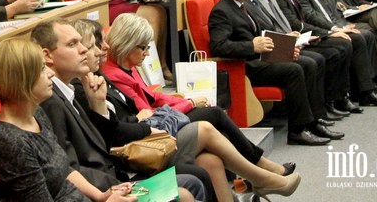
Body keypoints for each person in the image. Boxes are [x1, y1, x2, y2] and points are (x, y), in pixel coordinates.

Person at [103, 14, 302, 201]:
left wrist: (184, 100)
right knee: (209, 122)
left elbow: (154, 97)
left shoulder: (126, 65)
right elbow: (151, 117)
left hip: (158, 129)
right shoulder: (115, 75)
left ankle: (261, 175)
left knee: (211, 159)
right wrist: (189, 103)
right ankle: (262, 175)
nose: (147, 53)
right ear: (127, 44)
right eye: (143, 47)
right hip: (150, 142)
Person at [31, 20, 202, 200]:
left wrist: (98, 105)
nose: (83, 50)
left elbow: (100, 142)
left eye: (82, 43)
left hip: (114, 177)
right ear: (47, 55)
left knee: (202, 168)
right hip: (105, 187)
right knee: (189, 187)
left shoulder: (72, 90)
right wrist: (113, 189)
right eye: (72, 44)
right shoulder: (51, 101)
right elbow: (69, 167)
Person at [0, 38, 138, 202]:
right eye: (42, 69)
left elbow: (64, 169)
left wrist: (101, 196)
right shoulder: (12, 143)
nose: (50, 73)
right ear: (22, 78)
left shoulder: (36, 113)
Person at [209, 0, 330, 145]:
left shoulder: (243, 5)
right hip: (244, 66)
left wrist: (285, 48)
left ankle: (314, 121)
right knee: (294, 70)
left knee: (309, 62)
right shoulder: (221, 11)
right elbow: (219, 46)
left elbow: (263, 36)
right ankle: (297, 130)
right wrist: (251, 46)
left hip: (260, 59)